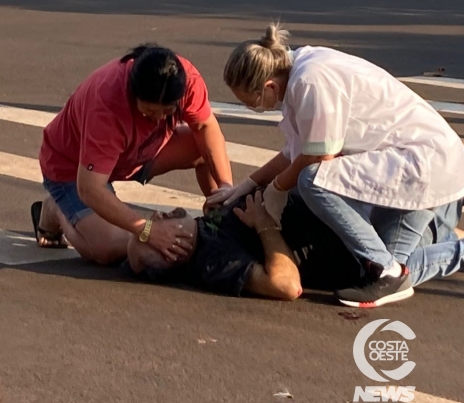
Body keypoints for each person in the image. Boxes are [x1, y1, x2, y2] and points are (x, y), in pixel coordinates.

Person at [206, 24, 464, 307]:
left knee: (313, 181)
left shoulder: (310, 80)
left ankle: (388, 269)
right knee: (389, 266)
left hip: (423, 165)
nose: (254, 108)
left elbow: (319, 157)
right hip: (420, 165)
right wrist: (249, 185)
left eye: (251, 103)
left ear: (269, 86)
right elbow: (295, 151)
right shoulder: (299, 70)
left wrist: (276, 190)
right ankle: (404, 264)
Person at [33, 44, 233, 266]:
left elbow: (206, 128)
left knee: (204, 148)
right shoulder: (107, 102)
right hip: (73, 168)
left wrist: (225, 189)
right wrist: (147, 229)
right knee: (108, 248)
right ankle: (56, 208)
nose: (157, 120)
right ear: (133, 92)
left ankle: (221, 220)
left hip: (138, 153)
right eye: (149, 111)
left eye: (167, 112)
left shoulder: (187, 79)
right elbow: (90, 188)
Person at [128, 190, 464, 305]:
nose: (156, 214)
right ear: (172, 250)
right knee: (434, 204)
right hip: (367, 260)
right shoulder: (215, 261)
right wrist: (264, 225)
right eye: (152, 230)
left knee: (442, 186)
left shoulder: (208, 226)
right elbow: (286, 285)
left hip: (364, 221)